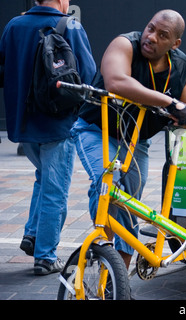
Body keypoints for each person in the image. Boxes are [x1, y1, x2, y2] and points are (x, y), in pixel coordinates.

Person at [70, 9, 186, 269]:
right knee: (108, 183)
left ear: (175, 44)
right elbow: (116, 81)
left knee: (130, 204)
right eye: (150, 28)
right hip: (97, 130)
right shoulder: (125, 44)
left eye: (162, 35)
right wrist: (168, 102)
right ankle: (104, 252)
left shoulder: (180, 65)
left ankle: (118, 276)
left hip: (136, 141)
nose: (151, 37)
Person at [0, 0, 96, 275]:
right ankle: (45, 256)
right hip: (58, 123)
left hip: (23, 124)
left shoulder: (14, 25)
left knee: (44, 178)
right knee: (55, 190)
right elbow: (88, 76)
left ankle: (32, 234)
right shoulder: (70, 26)